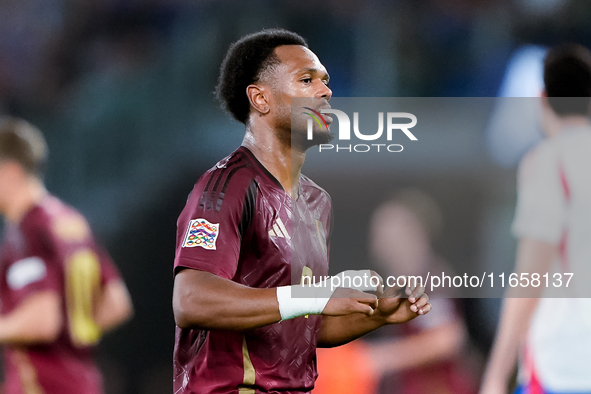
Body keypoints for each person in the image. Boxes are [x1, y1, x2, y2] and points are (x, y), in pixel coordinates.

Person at [171, 28, 432, 393]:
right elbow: (190, 300)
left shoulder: (316, 202)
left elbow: (299, 327)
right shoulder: (228, 186)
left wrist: (376, 316)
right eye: (306, 80)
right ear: (260, 98)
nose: (325, 92)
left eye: (325, 81)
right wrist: (319, 294)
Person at [480, 44, 591, 394]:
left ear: (542, 98)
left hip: (566, 361)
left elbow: (530, 277)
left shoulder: (547, 162)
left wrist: (497, 375)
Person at [0, 117, 133, 394]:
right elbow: (115, 302)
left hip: (43, 385)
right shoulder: (70, 222)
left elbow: (42, 321)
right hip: (83, 382)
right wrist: (72, 334)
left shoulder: (29, 230)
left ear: (11, 171)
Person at [315, 190, 478, 394]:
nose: (378, 242)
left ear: (416, 232)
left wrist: (378, 358)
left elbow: (447, 338)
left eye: (387, 231)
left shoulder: (429, 277)